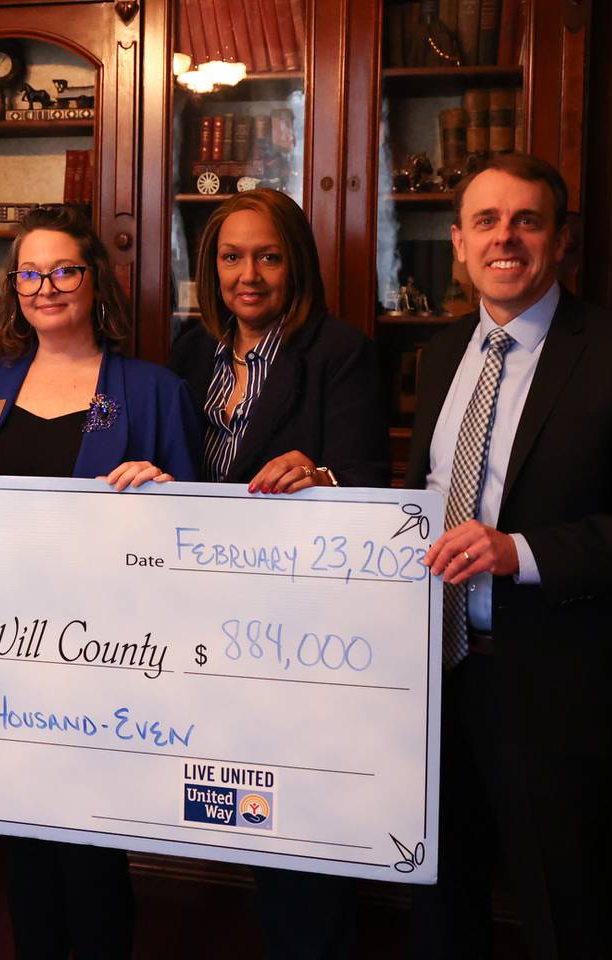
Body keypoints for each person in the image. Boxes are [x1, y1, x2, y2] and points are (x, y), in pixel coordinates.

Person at [0, 204, 199, 958]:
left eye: (64, 270)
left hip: (106, 657)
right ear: (13, 287)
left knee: (93, 846)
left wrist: (161, 489)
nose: (46, 287)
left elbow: (199, 531)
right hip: (1, 650)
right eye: (30, 272)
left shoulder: (151, 389)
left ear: (95, 283)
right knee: (21, 835)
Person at [408, 153, 612, 958]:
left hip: (552, 690)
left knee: (563, 917)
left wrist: (518, 551)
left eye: (527, 220)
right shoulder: (436, 357)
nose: (507, 238)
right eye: (488, 221)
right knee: (440, 907)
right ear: (458, 241)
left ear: (559, 240)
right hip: (433, 682)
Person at [167, 188, 387, 959]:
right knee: (240, 809)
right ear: (211, 266)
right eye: (231, 257)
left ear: (295, 263)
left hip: (301, 633)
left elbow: (367, 481)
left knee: (302, 826)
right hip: (208, 624)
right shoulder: (190, 354)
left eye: (267, 256)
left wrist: (320, 476)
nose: (248, 275)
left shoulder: (340, 351)